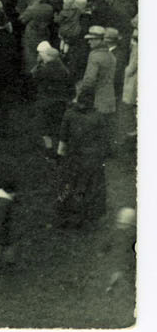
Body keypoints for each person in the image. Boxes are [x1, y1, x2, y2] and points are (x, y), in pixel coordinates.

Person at [54, 86, 109, 228]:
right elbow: (104, 141)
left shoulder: (69, 114)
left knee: (69, 187)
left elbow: (63, 139)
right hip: (92, 160)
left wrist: (60, 158)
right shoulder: (98, 117)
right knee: (89, 189)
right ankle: (87, 218)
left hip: (73, 158)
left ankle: (67, 217)